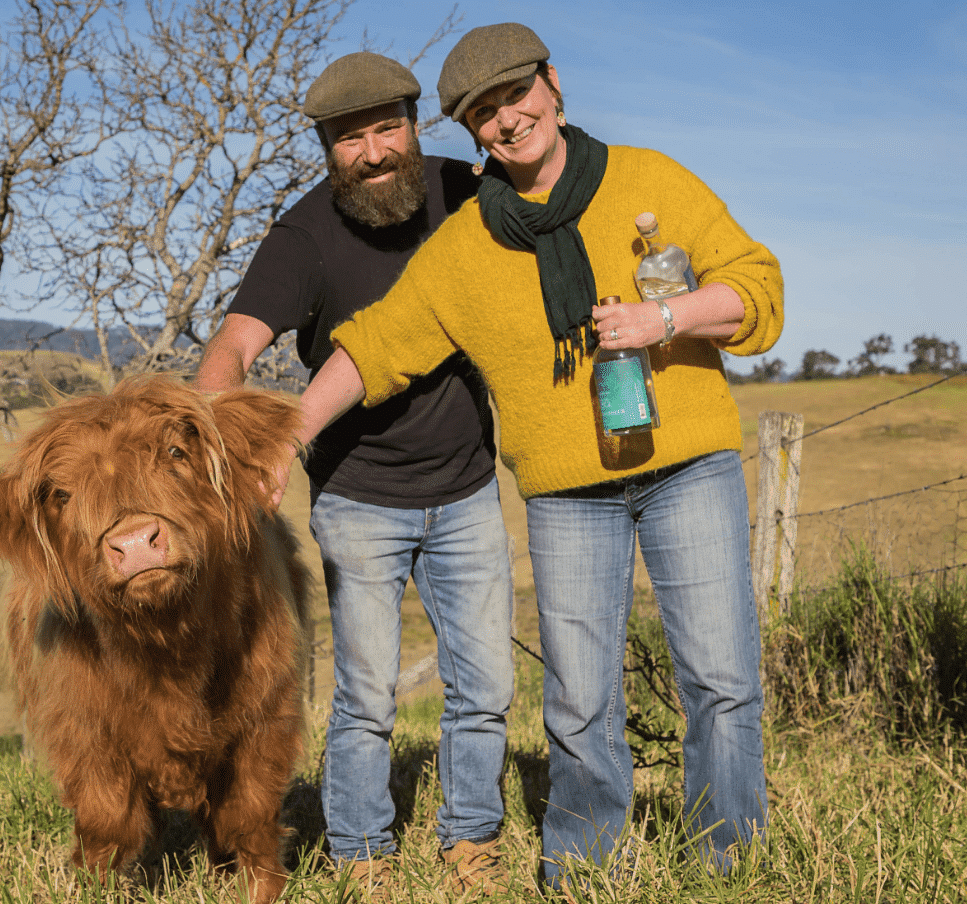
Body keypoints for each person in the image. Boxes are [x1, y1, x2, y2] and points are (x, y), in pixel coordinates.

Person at [283, 23, 783, 886]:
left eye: (517, 95)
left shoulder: (648, 179)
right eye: (483, 112)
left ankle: (727, 866)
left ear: (552, 85)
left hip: (689, 470)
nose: (508, 120)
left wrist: (664, 319)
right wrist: (288, 434)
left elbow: (758, 289)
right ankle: (582, 868)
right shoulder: (467, 248)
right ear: (470, 131)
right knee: (580, 703)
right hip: (567, 497)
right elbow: (376, 345)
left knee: (721, 680)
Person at [190, 52, 517, 896]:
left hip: (469, 487)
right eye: (349, 138)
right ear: (325, 148)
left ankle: (471, 842)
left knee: (485, 685)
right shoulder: (303, 236)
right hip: (359, 498)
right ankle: (363, 852)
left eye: (386, 128)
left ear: (415, 124)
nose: (372, 152)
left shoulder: (466, 193)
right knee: (366, 697)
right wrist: (220, 442)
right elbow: (233, 345)